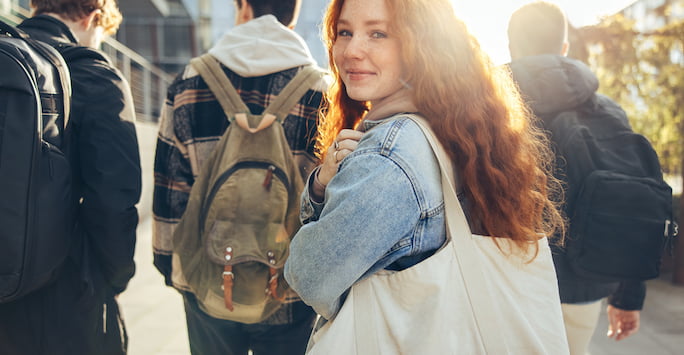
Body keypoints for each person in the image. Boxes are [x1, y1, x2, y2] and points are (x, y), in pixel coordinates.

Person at [284, 0, 564, 343]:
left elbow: (310, 277)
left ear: (422, 44)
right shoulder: (455, 126)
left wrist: (318, 189)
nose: (352, 50)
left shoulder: (391, 153)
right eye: (345, 32)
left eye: (378, 33)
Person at [152, 0, 326, 353]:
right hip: (289, 290)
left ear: (242, 6)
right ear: (293, 11)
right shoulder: (321, 90)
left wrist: (172, 267)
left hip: (208, 282)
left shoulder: (190, 82)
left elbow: (170, 191)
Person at [0, 1, 142, 354]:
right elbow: (114, 199)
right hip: (64, 293)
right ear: (94, 17)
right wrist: (116, 277)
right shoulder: (94, 74)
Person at [507, 2, 644, 354]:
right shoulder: (607, 111)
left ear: (511, 47)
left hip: (505, 283)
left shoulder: (486, 108)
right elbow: (632, 203)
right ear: (564, 50)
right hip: (583, 284)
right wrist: (628, 296)